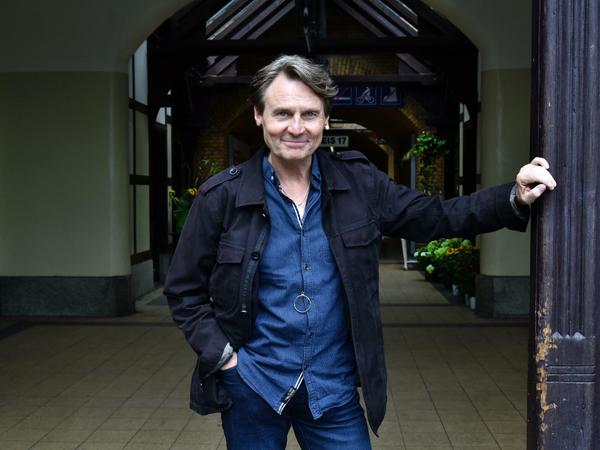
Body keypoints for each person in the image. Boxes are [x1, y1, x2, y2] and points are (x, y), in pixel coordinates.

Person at [164, 55, 556, 449]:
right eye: (282, 113)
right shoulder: (222, 197)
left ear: (325, 118)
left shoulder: (360, 184)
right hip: (253, 386)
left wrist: (514, 196)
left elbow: (437, 216)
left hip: (332, 390)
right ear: (258, 115)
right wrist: (226, 358)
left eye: (309, 114)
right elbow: (183, 289)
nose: (296, 127)